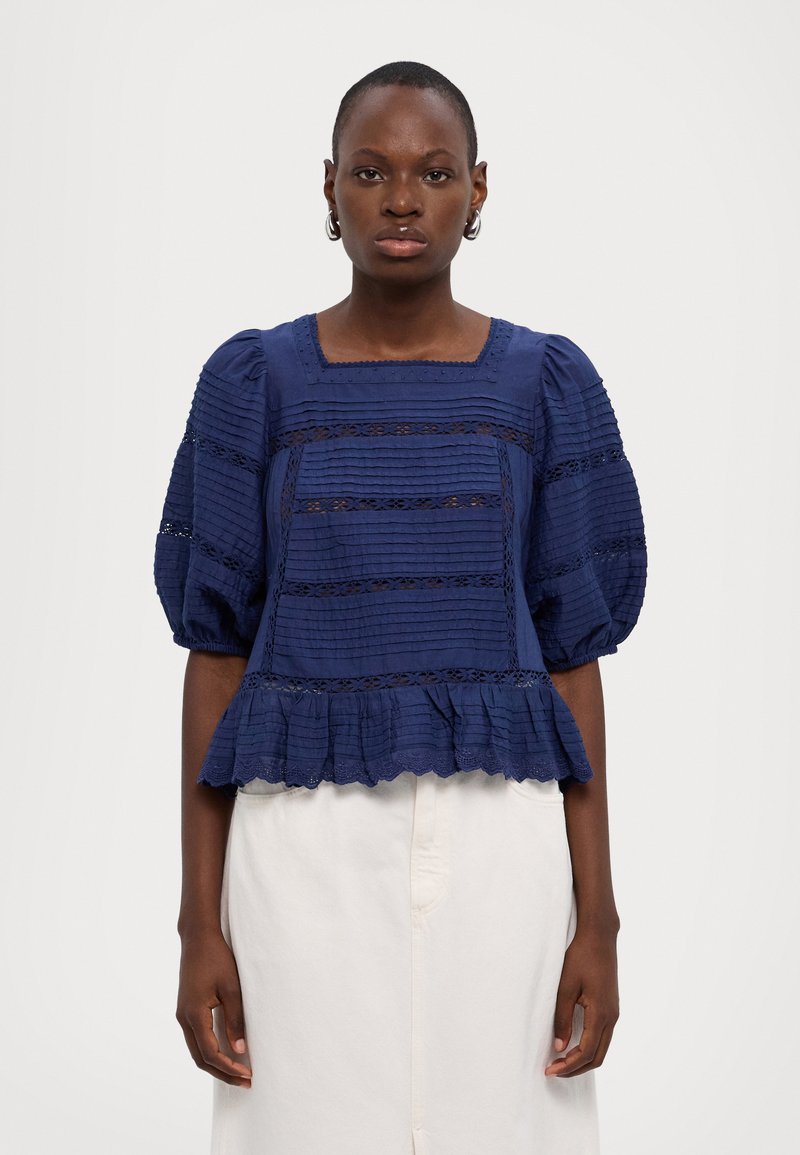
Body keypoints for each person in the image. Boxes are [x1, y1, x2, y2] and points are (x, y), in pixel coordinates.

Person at [153, 60, 647, 1155]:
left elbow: (573, 658)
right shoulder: (253, 385)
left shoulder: (545, 386)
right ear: (328, 187)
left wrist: (599, 919)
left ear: (479, 189)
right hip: (298, 845)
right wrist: (197, 925)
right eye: (371, 171)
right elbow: (215, 655)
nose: (402, 199)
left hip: (502, 841)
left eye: (434, 171)